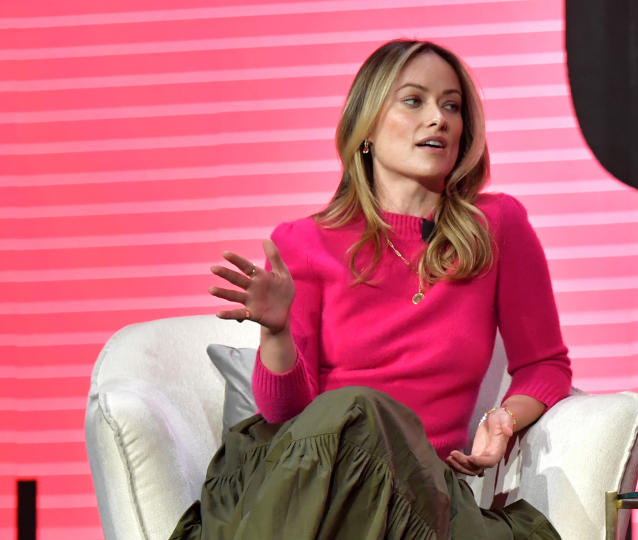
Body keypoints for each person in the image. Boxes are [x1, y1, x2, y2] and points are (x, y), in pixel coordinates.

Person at [170, 39, 571, 539]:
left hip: (415, 490)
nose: (438, 119)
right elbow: (287, 416)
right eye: (414, 100)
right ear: (367, 129)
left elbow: (545, 366)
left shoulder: (497, 227)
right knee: (354, 411)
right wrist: (276, 334)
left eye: (451, 106)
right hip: (298, 477)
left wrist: (503, 420)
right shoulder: (303, 242)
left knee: (365, 411)